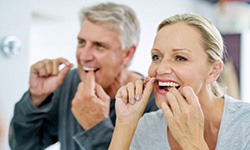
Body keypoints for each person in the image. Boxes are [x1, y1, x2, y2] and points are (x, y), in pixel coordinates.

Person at [9, 2, 158, 150]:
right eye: (81, 42)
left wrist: (96, 127)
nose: (84, 56)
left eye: (99, 45)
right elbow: (21, 146)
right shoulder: (68, 83)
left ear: (127, 54)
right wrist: (35, 99)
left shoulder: (152, 102)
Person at [109, 13, 250, 150]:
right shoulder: (146, 126)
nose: (161, 69)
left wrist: (192, 143)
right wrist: (125, 124)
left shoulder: (246, 123)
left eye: (180, 58)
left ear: (213, 71)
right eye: (156, 57)